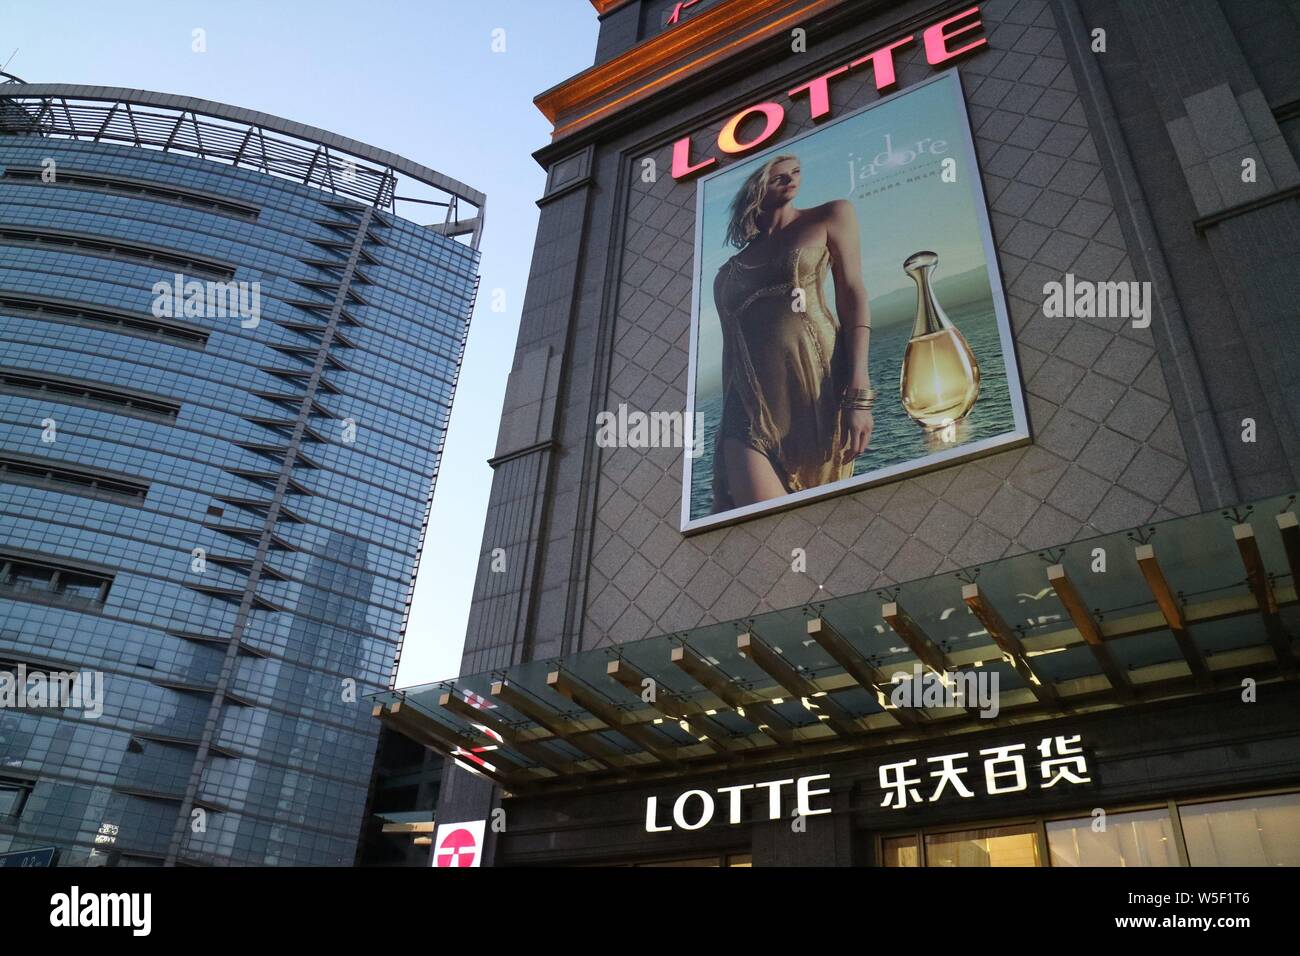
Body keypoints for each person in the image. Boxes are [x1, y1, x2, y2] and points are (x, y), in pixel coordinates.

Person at [710, 153, 874, 513]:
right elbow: (730, 354)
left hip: (818, 390)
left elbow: (852, 294)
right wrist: (721, 443)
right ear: (756, 187)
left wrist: (859, 391)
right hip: (747, 410)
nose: (791, 180)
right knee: (770, 527)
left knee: (816, 520)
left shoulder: (831, 215)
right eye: (778, 176)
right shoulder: (726, 273)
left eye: (795, 172)